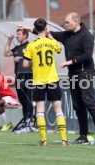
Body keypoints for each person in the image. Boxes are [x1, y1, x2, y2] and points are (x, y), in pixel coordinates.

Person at [48, 12, 95, 144]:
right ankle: (83, 135)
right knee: (77, 105)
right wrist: (31, 29)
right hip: (73, 74)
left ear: (76, 21)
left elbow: (87, 55)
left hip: (85, 73)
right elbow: (47, 33)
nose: (65, 24)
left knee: (89, 102)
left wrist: (70, 62)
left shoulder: (87, 36)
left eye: (67, 22)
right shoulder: (66, 35)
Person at [23, 18, 69, 146]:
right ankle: (64, 140)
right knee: (58, 110)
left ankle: (43, 140)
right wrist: (50, 36)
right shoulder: (50, 42)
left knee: (40, 111)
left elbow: (25, 64)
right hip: (52, 80)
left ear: (35, 29)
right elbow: (59, 48)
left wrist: (34, 61)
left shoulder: (31, 45)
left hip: (39, 81)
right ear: (46, 27)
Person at [4, 28, 34, 133]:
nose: (17, 36)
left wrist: (20, 59)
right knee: (22, 99)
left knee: (28, 98)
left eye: (19, 34)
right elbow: (6, 53)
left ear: (25, 35)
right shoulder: (17, 48)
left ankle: (29, 121)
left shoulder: (30, 46)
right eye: (17, 34)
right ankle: (25, 120)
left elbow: (34, 59)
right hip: (18, 75)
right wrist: (8, 41)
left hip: (27, 75)